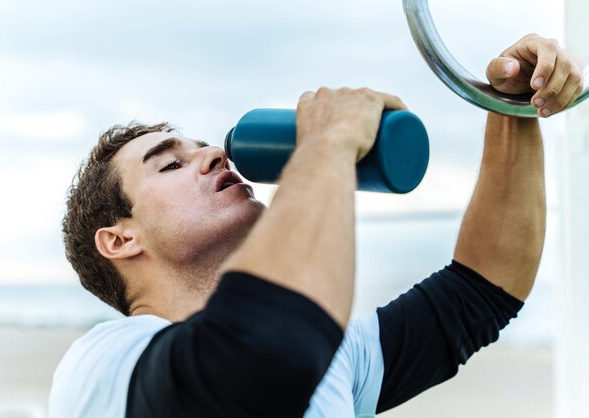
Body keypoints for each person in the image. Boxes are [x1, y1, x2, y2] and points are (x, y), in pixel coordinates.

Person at [49, 34, 584, 418]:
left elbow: (481, 292)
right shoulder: (102, 364)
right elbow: (258, 357)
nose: (214, 154)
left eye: (202, 146)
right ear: (120, 240)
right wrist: (328, 143)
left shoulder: (330, 356)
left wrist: (513, 107)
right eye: (170, 164)